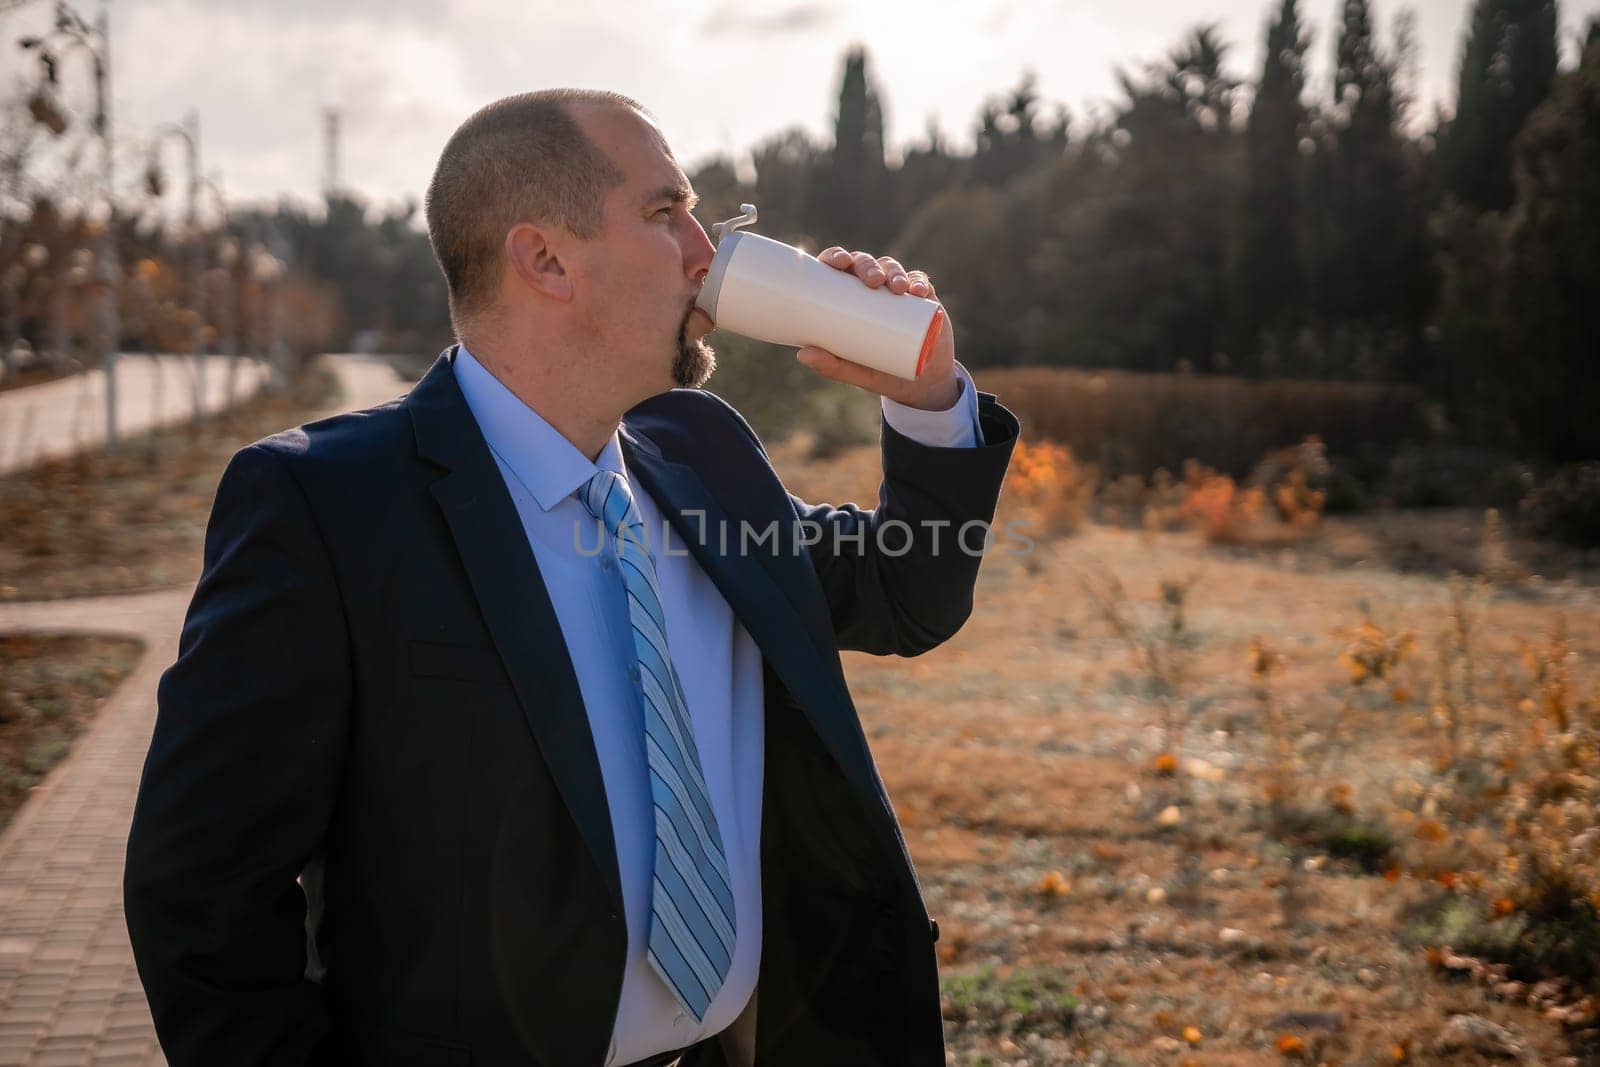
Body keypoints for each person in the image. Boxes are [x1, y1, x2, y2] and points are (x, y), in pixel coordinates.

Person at [124, 89, 1019, 1067]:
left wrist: (930, 392)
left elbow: (907, 593)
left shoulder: (703, 453)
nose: (704, 254)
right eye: (664, 211)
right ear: (545, 258)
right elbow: (202, 890)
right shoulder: (325, 506)